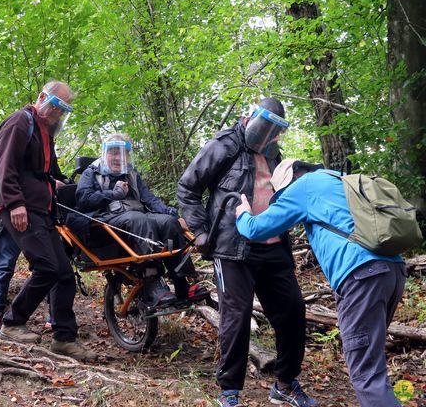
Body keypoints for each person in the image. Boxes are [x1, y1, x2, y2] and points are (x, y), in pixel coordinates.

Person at [177, 98, 316, 407]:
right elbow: (188, 188)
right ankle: (229, 391)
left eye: (274, 129)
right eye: (264, 125)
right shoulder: (225, 144)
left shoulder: (273, 151)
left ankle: (285, 383)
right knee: (235, 319)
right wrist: (200, 232)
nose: (267, 134)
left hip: (273, 244)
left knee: (293, 311)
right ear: (249, 118)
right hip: (233, 246)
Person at [235, 159, 406, 407]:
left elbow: (257, 229)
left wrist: (243, 215)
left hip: (361, 275)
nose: (283, 198)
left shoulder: (303, 187)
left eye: (281, 194)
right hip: (393, 270)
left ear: (292, 177)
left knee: (366, 372)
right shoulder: (341, 180)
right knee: (372, 359)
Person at [0, 80, 96, 361]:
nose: (58, 114)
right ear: (42, 98)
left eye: (64, 110)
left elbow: (42, 171)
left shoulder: (45, 132)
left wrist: (58, 185)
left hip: (42, 210)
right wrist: (15, 203)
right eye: (56, 106)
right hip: (20, 208)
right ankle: (12, 323)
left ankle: (64, 338)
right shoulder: (19, 122)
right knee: (47, 267)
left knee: (64, 273)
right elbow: (6, 167)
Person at [74, 133, 207, 307]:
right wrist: (111, 194)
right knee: (140, 220)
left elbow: (150, 199)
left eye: (122, 153)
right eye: (113, 152)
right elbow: (83, 201)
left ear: (128, 156)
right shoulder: (91, 172)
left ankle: (182, 284)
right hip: (105, 222)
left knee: (167, 222)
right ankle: (152, 283)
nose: (117, 157)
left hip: (135, 218)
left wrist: (174, 215)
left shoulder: (132, 174)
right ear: (105, 153)